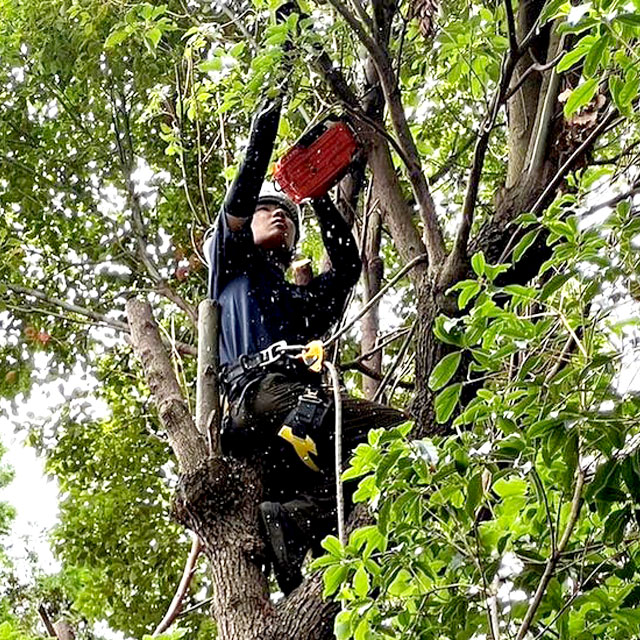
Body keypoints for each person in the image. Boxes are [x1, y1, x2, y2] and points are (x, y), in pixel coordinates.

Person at [205, 24, 404, 596]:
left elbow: (344, 273)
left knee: (345, 491)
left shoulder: (295, 298)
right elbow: (247, 180)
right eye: (274, 211)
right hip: (256, 396)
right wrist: (276, 91)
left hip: (287, 423)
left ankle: (289, 528)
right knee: (375, 432)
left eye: (287, 217)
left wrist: (318, 197)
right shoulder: (232, 263)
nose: (280, 218)